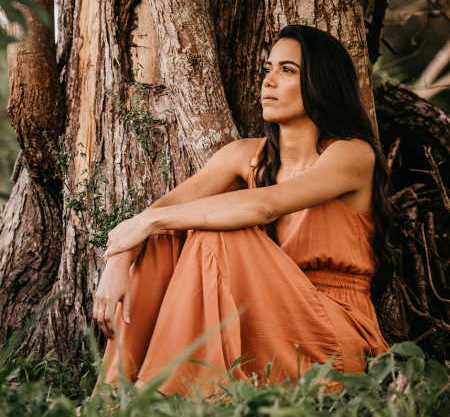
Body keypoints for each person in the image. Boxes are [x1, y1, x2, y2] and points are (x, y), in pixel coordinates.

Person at [93, 24, 392, 397]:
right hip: (263, 315)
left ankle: (157, 395)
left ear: (322, 82)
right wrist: (120, 259)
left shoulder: (351, 153)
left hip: (330, 333)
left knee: (213, 231)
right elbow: (167, 208)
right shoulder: (244, 155)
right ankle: (113, 396)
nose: (269, 81)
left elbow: (266, 206)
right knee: (164, 236)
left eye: (287, 70)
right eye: (268, 68)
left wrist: (148, 220)